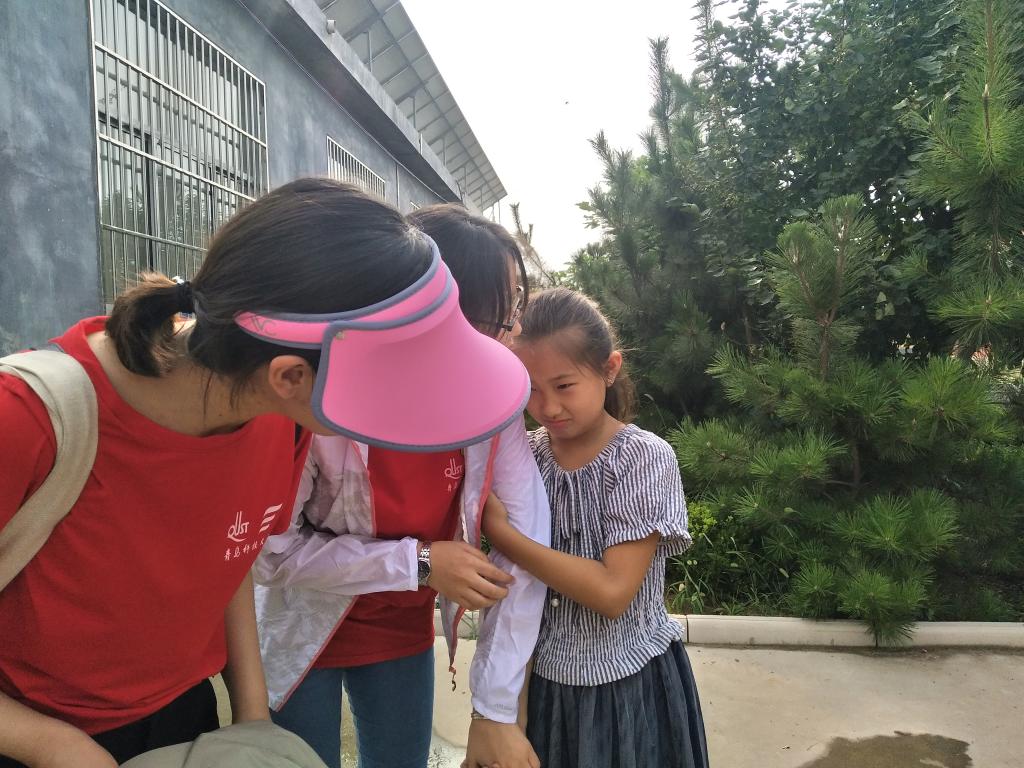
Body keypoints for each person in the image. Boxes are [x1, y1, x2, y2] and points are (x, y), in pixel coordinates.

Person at [0, 179, 528, 768]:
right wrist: (54, 746)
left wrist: (253, 726)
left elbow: (229, 557)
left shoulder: (279, 420)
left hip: (182, 718)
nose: (407, 404)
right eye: (395, 383)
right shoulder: (29, 420)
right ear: (290, 377)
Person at [253, 204, 550, 768]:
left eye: (516, 307)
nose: (513, 332)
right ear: (440, 311)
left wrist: (494, 711)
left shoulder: (493, 401)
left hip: (400, 630)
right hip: (303, 623)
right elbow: (272, 553)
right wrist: (419, 563)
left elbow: (526, 541)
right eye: (501, 313)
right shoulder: (320, 398)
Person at [482, 288, 711, 768]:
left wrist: (505, 537)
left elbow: (612, 592)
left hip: (628, 688)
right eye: (531, 389)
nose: (548, 407)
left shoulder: (641, 458)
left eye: (564, 385)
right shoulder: (526, 457)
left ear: (609, 369)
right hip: (543, 688)